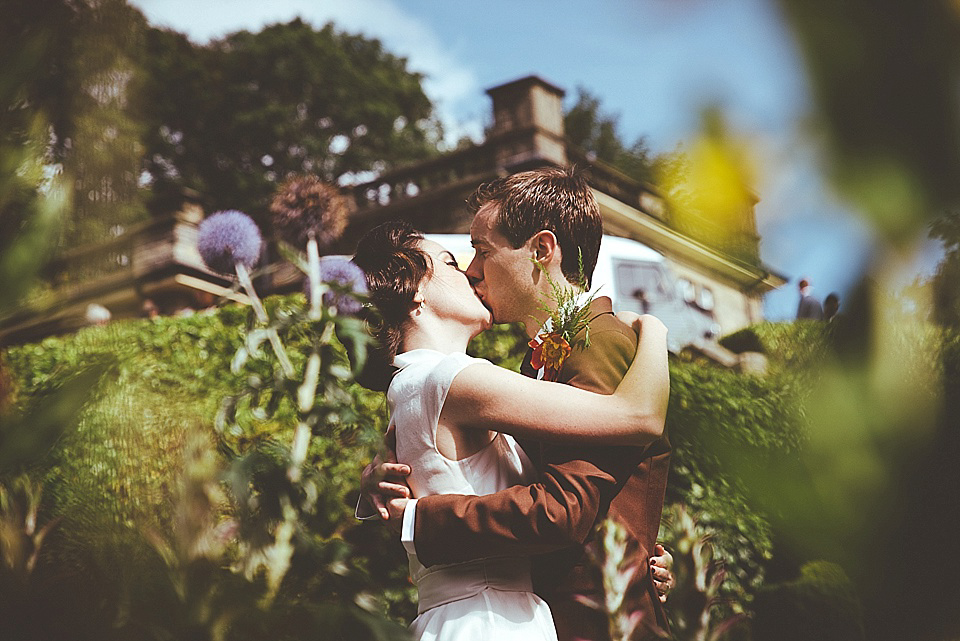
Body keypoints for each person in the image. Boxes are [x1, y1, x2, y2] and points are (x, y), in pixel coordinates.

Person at [361, 168, 674, 640]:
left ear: (541, 251)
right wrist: (378, 482)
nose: (471, 269)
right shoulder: (521, 373)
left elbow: (568, 505)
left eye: (482, 251)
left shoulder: (600, 342)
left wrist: (419, 518)